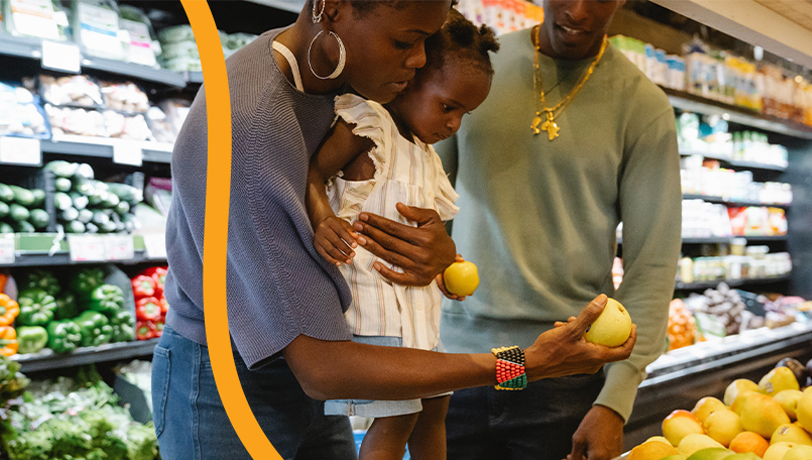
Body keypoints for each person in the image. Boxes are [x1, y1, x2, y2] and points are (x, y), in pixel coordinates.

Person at [154, 1, 636, 459]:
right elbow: (324, 370)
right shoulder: (253, 130)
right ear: (334, 7)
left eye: (428, 39)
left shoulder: (351, 73)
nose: (422, 60)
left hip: (326, 368)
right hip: (232, 384)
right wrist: (527, 365)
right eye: (408, 39)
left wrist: (441, 253)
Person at [435, 1, 683, 459]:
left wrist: (614, 403)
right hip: (460, 365)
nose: (580, 10)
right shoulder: (476, 66)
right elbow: (428, 203)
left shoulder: (642, 106)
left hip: (562, 376)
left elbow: (652, 264)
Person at [305, 10, 499, 460]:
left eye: (463, 114)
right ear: (409, 78)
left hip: (418, 318)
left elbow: (428, 235)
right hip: (376, 316)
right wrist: (322, 219)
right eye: (448, 106)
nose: (453, 124)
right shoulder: (371, 125)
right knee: (397, 417)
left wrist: (448, 265)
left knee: (436, 405)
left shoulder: (426, 156)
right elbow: (311, 172)